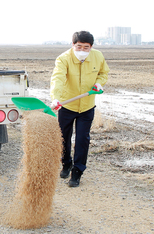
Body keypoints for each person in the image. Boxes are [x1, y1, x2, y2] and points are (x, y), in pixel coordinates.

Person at [50, 31, 109, 187]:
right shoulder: (63, 59)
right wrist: (55, 98)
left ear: (91, 47)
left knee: (83, 139)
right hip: (67, 105)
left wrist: (99, 83)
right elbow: (58, 79)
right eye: (79, 46)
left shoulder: (98, 56)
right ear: (72, 45)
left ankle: (77, 172)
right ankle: (66, 163)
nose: (82, 50)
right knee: (63, 137)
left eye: (86, 47)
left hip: (87, 106)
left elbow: (103, 73)